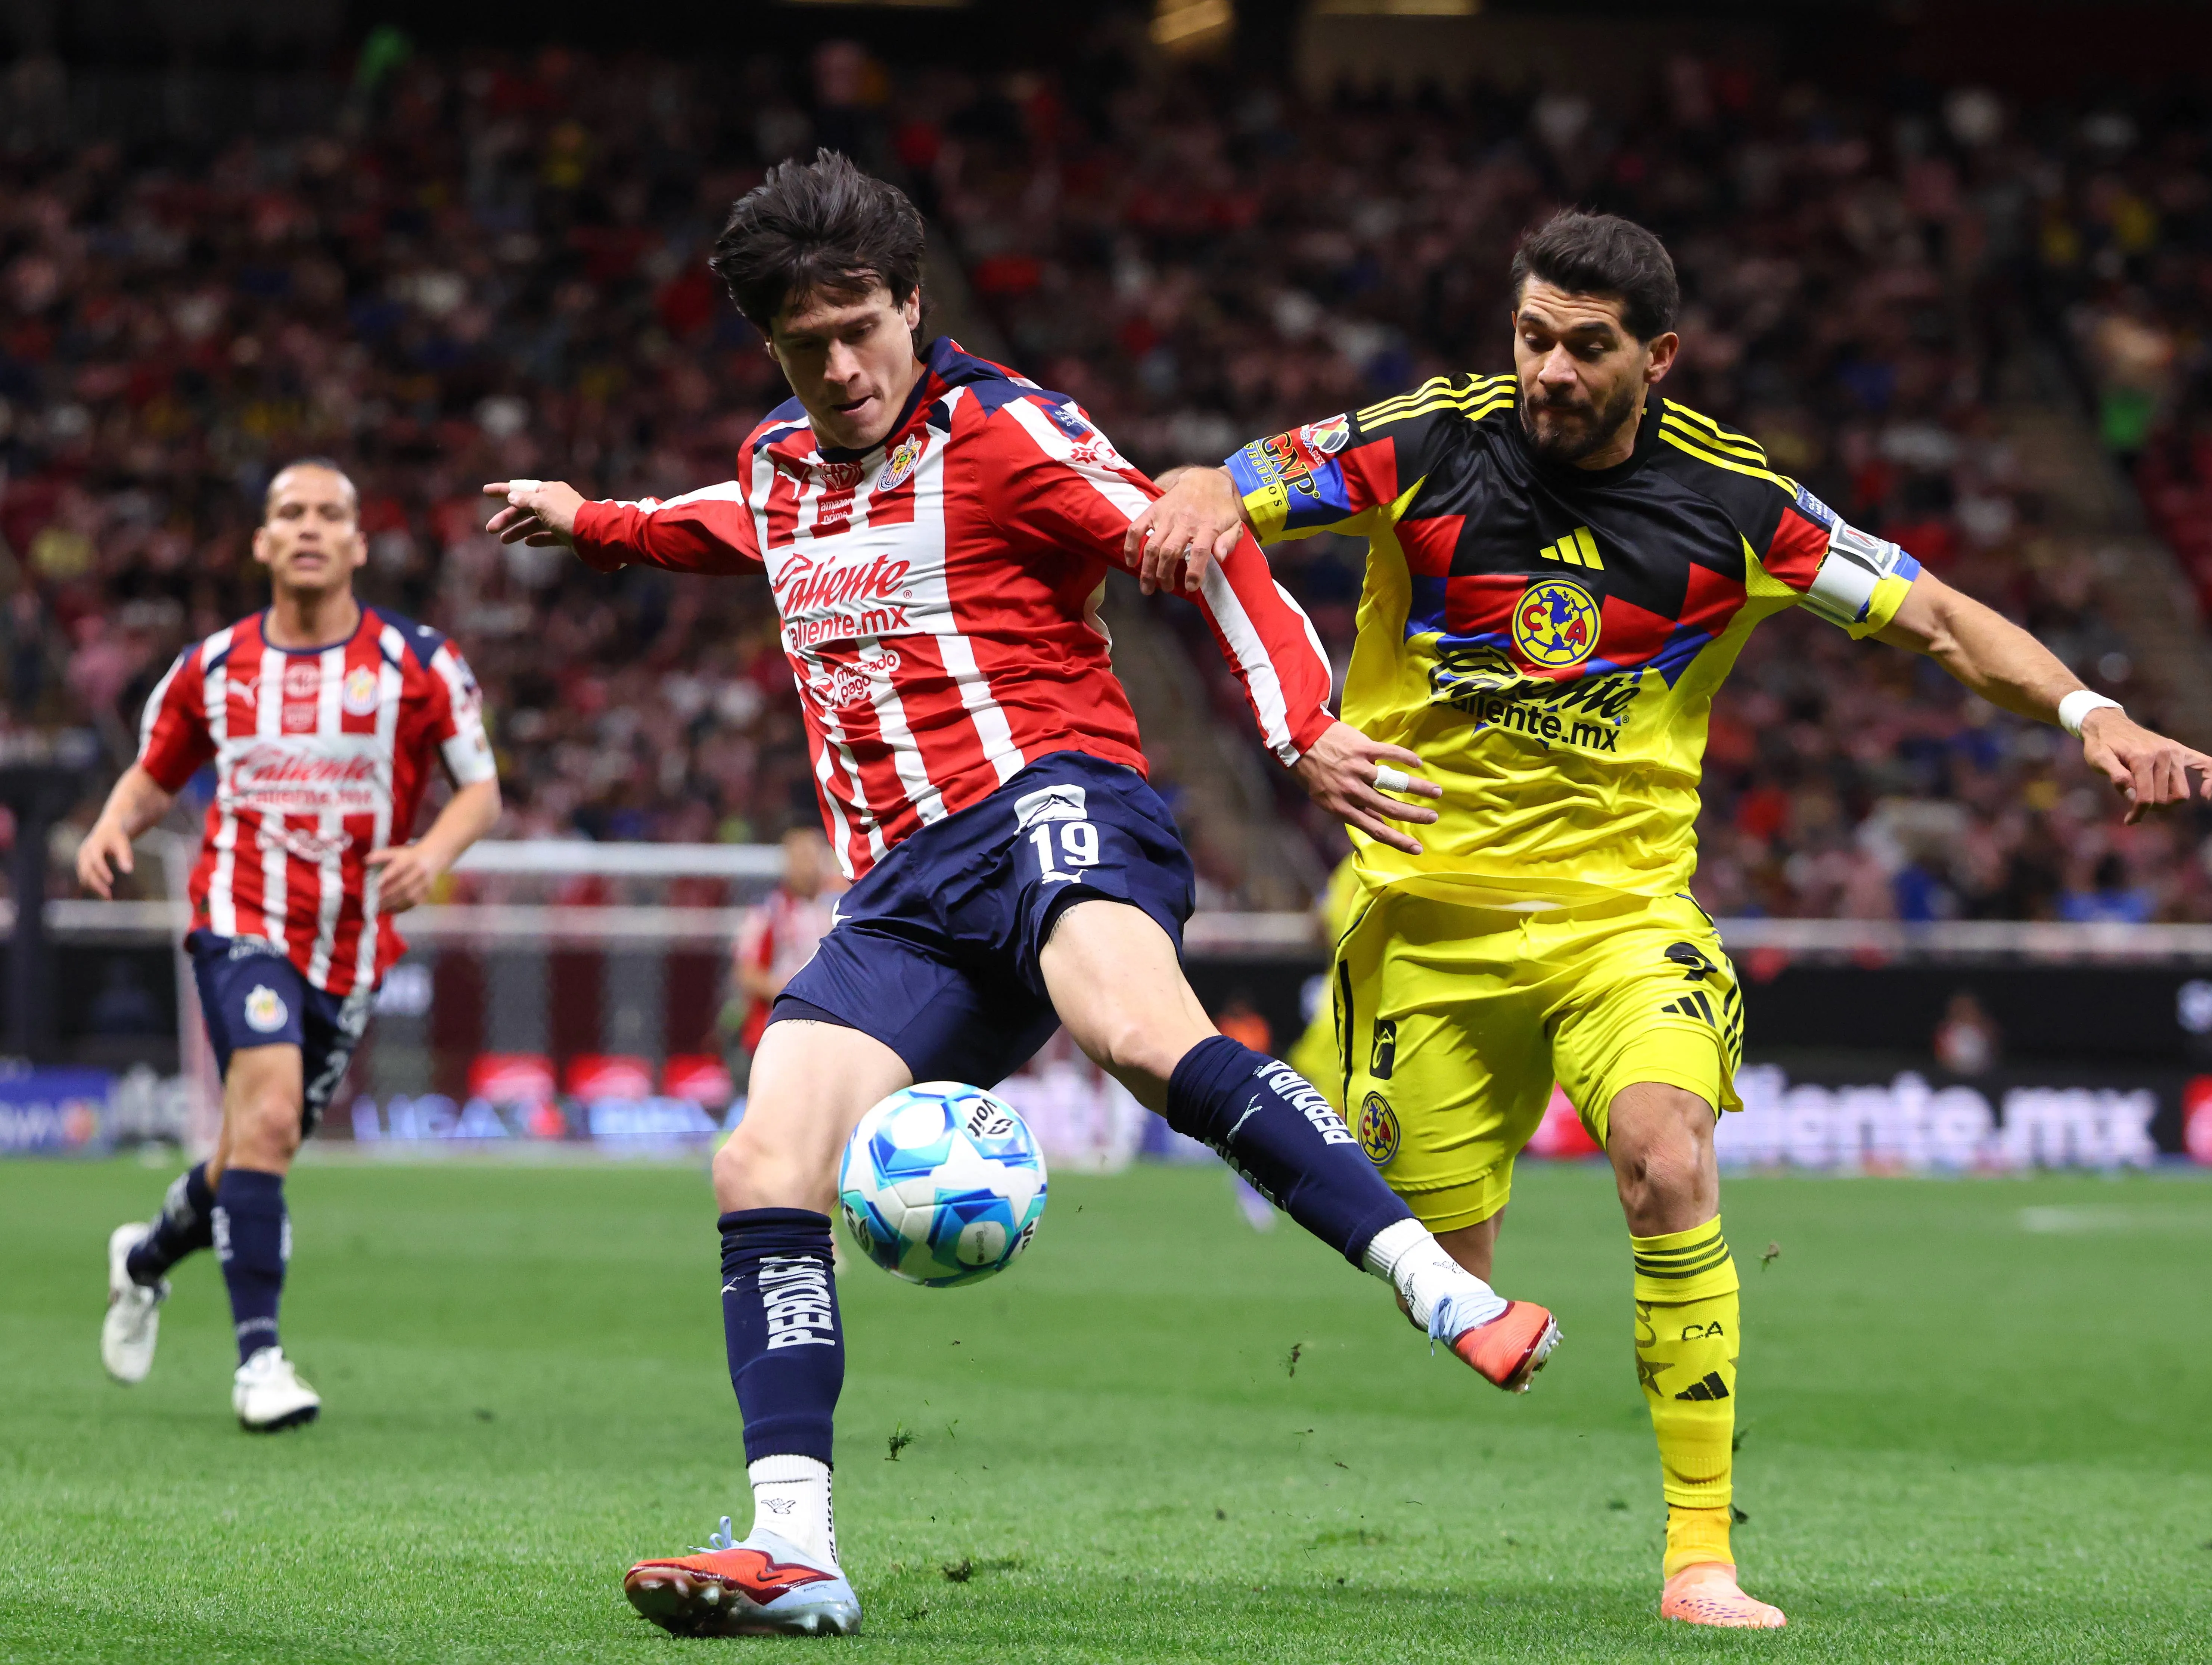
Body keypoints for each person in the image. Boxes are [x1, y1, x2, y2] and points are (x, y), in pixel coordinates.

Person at [480, 149, 1559, 1640]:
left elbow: (1202, 546)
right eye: (809, 345)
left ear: (912, 304)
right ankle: (797, 1546)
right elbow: (720, 525)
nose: (845, 365)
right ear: (773, 351)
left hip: (1057, 799)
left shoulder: (1004, 433)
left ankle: (1437, 1282)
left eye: (864, 326)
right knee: (758, 1158)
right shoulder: (777, 467)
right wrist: (587, 514)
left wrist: (1299, 727)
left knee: (1131, 1030)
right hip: (904, 895)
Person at [1129, 210, 2212, 1630]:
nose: (1549, 372)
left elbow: (1938, 620)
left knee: (1661, 1158)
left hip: (1620, 918)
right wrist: (1206, 483)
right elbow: (1211, 484)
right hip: (1423, 926)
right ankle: (1459, 1215)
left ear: (1657, 359)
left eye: (1586, 347)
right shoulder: (1424, 442)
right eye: (1531, 337)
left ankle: (1697, 1558)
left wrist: (2089, 711)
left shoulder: (1738, 506)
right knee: (1446, 1279)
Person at [80, 459, 502, 1430]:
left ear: (358, 543)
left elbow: (479, 790)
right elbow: (156, 773)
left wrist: (430, 850)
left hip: (350, 949)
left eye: (330, 514)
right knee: (265, 1119)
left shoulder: (421, 663)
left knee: (255, 1148)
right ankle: (259, 1361)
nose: (309, 528)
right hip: (240, 918)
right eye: (289, 514)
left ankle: (144, 1260)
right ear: (264, 543)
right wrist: (115, 823)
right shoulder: (212, 667)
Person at [726, 827, 843, 1088]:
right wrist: (796, 993)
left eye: (814, 857)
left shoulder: (841, 910)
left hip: (831, 1031)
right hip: (777, 1029)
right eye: (800, 858)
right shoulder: (767, 911)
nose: (808, 867)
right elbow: (746, 973)